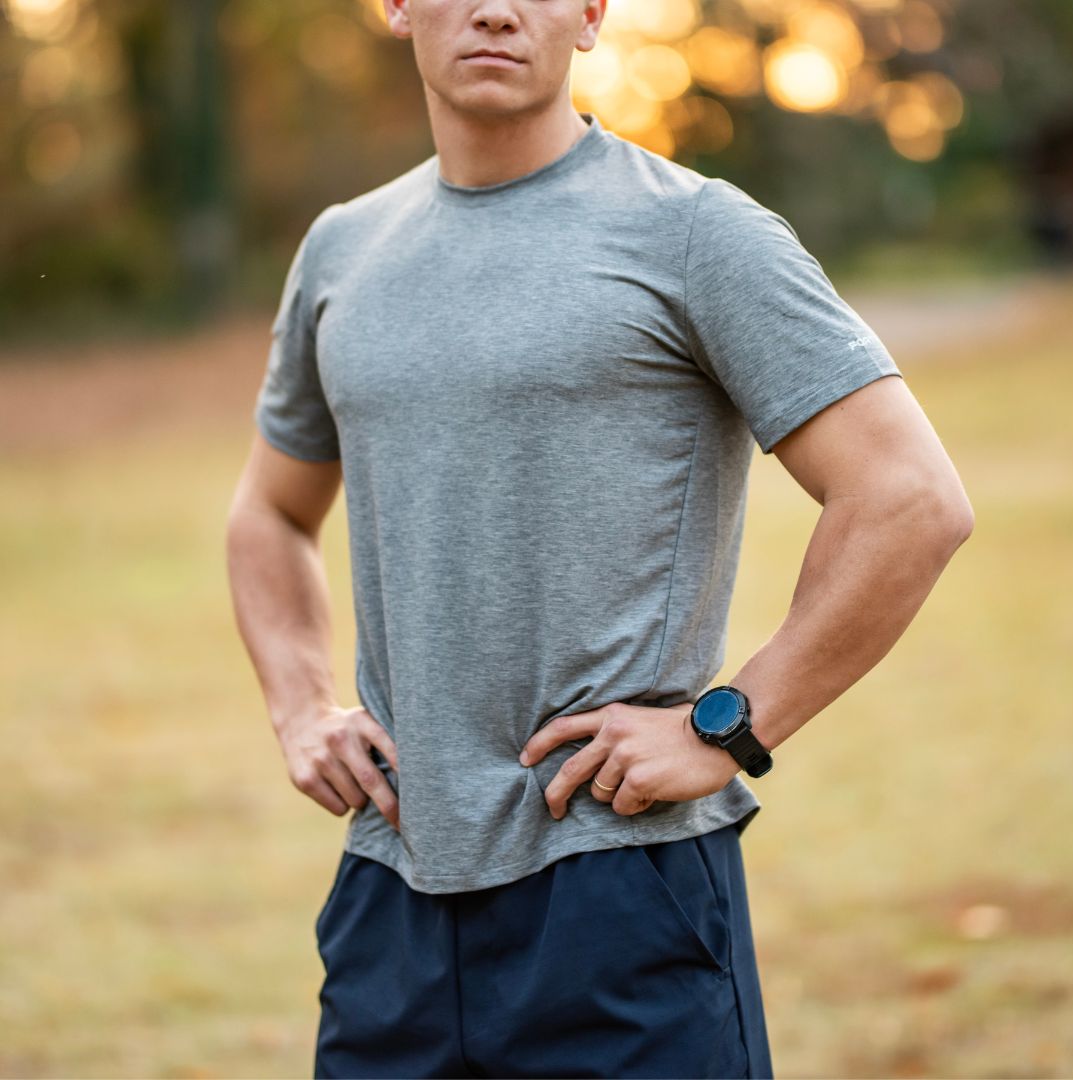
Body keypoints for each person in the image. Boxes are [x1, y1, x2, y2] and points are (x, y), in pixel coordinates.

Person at [224, 0, 975, 1076]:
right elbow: (268, 512)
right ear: (394, 6)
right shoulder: (343, 250)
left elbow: (908, 498)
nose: (494, 9)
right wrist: (300, 708)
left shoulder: (696, 233)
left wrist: (725, 730)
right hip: (390, 890)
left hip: (621, 888)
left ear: (589, 13)